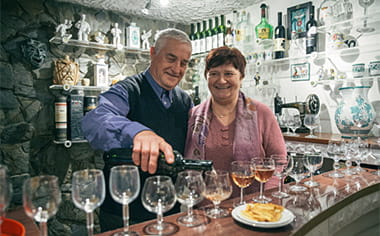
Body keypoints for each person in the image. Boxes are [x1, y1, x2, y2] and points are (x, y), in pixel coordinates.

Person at [81, 28, 193, 232]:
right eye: (171, 58)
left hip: (169, 210)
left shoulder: (185, 100)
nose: (177, 69)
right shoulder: (128, 89)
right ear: (152, 53)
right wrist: (138, 132)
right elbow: (93, 121)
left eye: (184, 63)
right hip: (124, 214)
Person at [184, 46, 287, 199]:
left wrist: (267, 194)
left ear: (241, 77)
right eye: (214, 74)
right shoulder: (194, 115)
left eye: (229, 73)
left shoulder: (261, 113)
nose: (221, 80)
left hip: (252, 207)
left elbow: (279, 160)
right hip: (207, 206)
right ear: (206, 77)